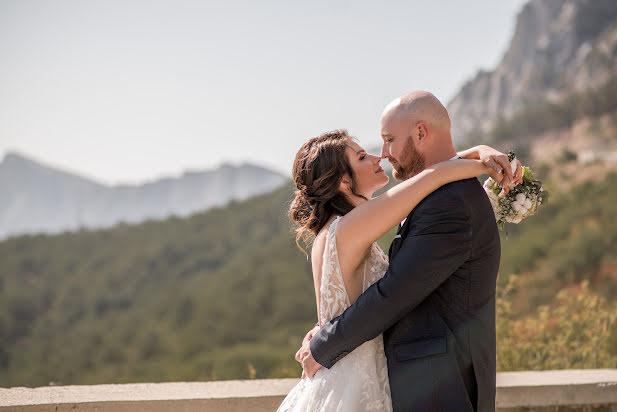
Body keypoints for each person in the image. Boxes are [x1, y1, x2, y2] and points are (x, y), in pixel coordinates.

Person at [281, 91, 522, 412]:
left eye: (388, 141)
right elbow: (433, 175)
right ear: (343, 181)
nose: (380, 156)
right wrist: (481, 159)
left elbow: (392, 291)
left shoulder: (440, 204)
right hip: (364, 376)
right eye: (364, 156)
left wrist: (326, 338)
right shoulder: (350, 226)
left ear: (420, 133)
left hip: (412, 380)